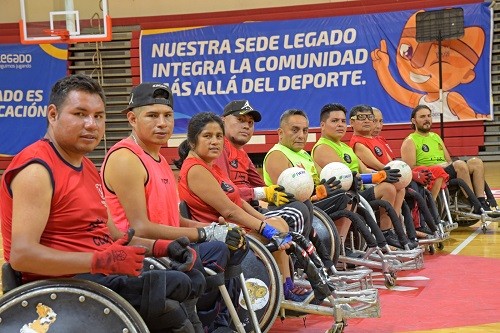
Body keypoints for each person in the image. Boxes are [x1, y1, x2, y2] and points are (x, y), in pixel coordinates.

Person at [0, 74, 201, 332]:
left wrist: (165, 247)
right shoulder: (37, 169)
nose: (91, 124)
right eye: (80, 114)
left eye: (98, 116)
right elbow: (22, 256)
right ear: (52, 114)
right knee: (175, 299)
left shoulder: (87, 167)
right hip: (61, 291)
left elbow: (117, 236)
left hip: (96, 279)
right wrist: (100, 261)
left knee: (189, 279)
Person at [101, 82, 247, 332]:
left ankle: (220, 319)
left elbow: (172, 219)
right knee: (216, 250)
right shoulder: (126, 159)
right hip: (144, 255)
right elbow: (141, 228)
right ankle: (209, 320)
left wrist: (213, 228)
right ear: (132, 119)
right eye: (152, 115)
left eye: (167, 116)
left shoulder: (159, 160)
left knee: (234, 245)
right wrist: (206, 234)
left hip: (169, 249)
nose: (162, 123)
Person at [174, 112, 312, 303]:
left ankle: (286, 285)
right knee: (279, 226)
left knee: (278, 222)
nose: (215, 141)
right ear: (192, 141)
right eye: (207, 136)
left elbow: (238, 200)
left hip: (236, 228)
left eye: (218, 136)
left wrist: (264, 221)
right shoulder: (196, 169)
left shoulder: (211, 166)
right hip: (223, 237)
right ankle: (283, 288)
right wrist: (265, 228)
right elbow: (229, 210)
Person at [309, 104, 412, 249]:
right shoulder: (323, 147)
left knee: (398, 186)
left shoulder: (344, 147)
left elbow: (364, 170)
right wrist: (378, 177)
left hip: (359, 190)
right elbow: (346, 178)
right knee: (387, 188)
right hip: (343, 194)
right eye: (334, 121)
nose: (340, 125)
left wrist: (382, 175)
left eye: (342, 121)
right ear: (323, 125)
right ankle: (385, 234)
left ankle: (394, 231)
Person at [400, 104, 494, 213]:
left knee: (476, 162)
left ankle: (481, 201)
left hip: (446, 170)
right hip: (432, 174)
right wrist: (436, 166)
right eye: (422, 117)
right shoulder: (410, 141)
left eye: (429, 116)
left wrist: (446, 164)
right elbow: (411, 169)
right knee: (459, 164)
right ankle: (473, 204)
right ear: (413, 120)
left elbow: (448, 160)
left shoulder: (435, 137)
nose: (427, 119)